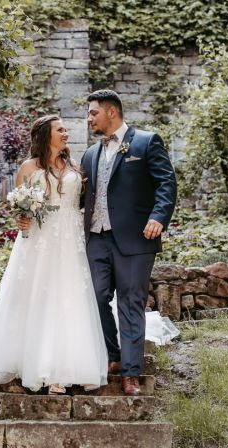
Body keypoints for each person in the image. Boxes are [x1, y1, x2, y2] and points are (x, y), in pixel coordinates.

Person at [0, 115, 108, 395]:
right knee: (42, 295)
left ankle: (73, 365)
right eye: (60, 130)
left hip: (71, 238)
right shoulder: (30, 166)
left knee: (70, 297)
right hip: (41, 238)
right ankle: (43, 366)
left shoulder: (74, 164)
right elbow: (17, 203)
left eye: (65, 129)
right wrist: (21, 218)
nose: (66, 133)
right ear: (45, 135)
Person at [81, 89, 177, 396]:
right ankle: (113, 355)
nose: (88, 119)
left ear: (111, 112)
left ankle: (132, 373)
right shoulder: (89, 154)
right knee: (94, 298)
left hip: (136, 238)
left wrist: (158, 216)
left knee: (131, 303)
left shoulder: (146, 142)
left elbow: (166, 182)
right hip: (96, 238)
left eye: (93, 112)